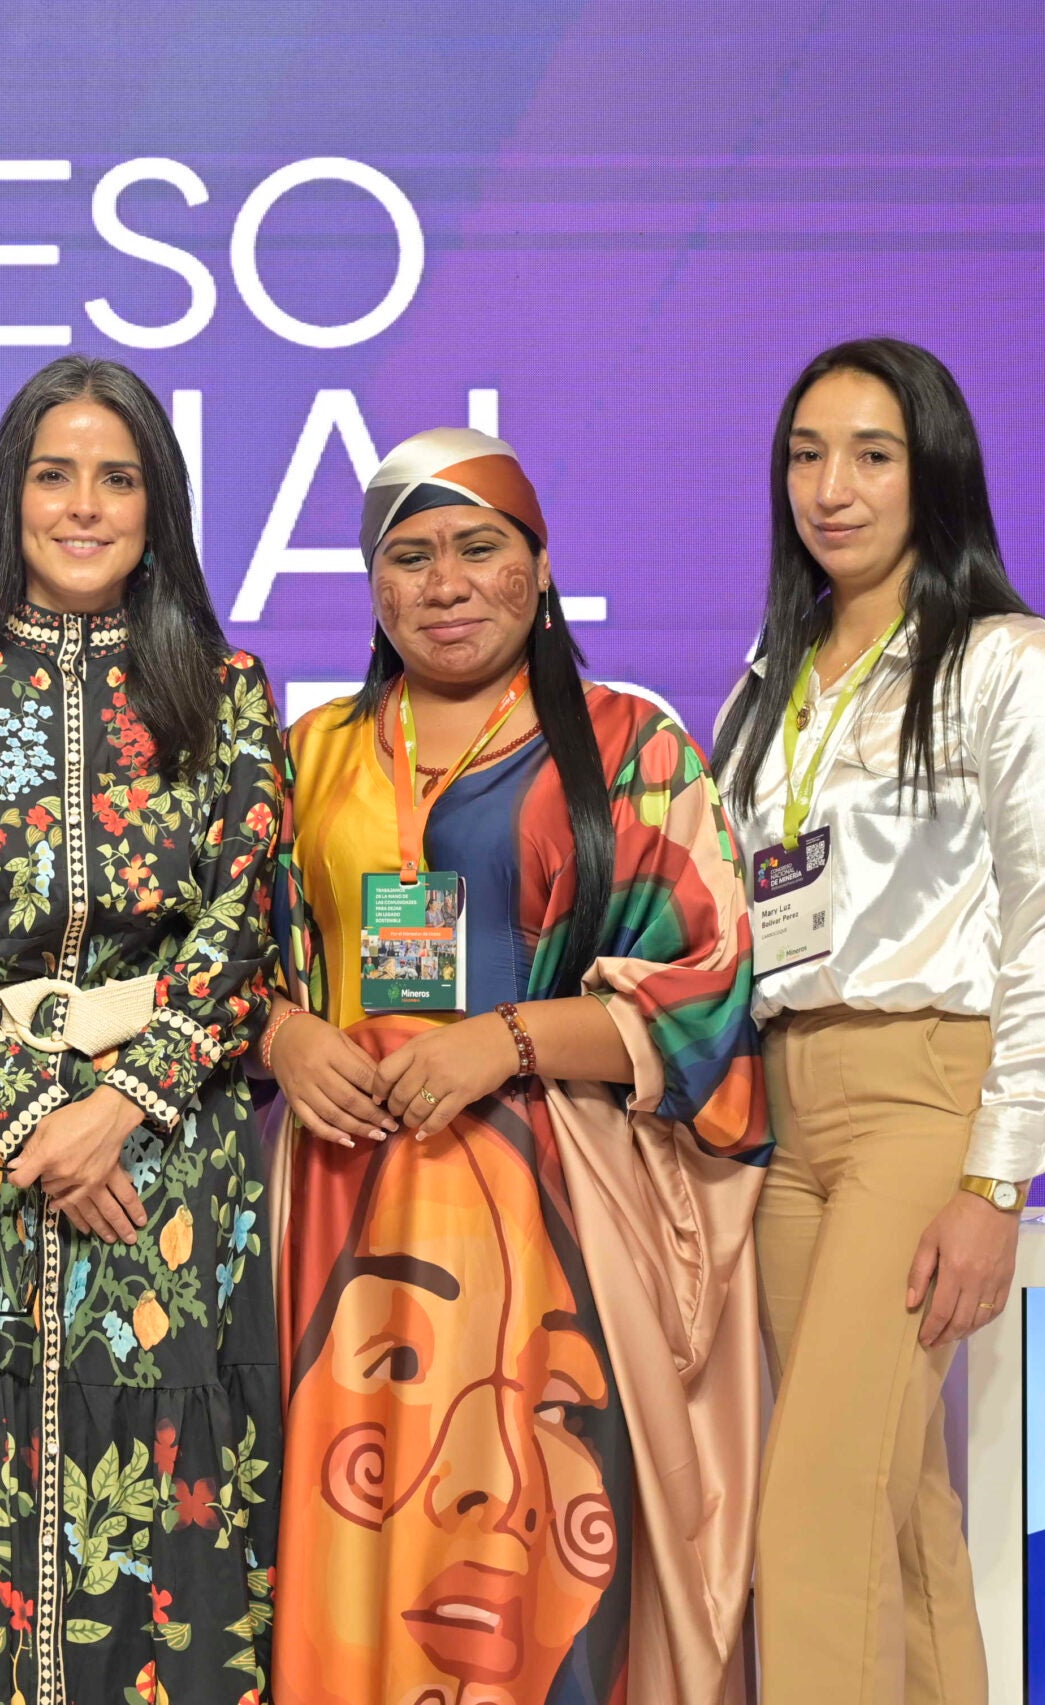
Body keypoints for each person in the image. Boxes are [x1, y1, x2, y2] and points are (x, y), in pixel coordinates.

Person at [265, 427, 771, 1705]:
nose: (444, 583)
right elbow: (223, 963)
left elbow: (711, 985)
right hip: (339, 1207)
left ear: (538, 569)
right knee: (344, 1526)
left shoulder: (630, 746)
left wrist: (510, 1037)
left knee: (529, 1516)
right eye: (409, 557)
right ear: (372, 586)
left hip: (558, 1212)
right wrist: (282, 1033)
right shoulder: (308, 753)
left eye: (477, 548)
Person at [0, 355, 284, 1705]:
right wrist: (35, 1118)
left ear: (158, 505)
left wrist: (118, 1110)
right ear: (8, 497)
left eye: (117, 478)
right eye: (54, 475)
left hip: (165, 1152)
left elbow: (239, 924)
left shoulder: (225, 685)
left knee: (161, 1491)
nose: (83, 506)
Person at [714, 338, 1045, 1704]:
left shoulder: (1010, 664)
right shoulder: (772, 678)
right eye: (805, 456)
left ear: (931, 470)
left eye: (871, 455)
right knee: (899, 1517)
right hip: (788, 1112)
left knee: (814, 1523)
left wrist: (997, 1177)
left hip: (923, 1094)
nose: (831, 488)